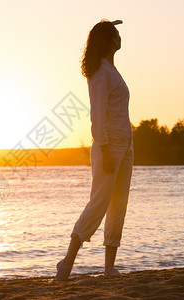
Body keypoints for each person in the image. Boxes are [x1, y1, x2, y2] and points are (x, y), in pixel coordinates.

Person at [55, 19, 134, 280]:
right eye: (116, 34)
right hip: (109, 146)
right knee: (99, 202)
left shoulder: (111, 69)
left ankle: (109, 267)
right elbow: (97, 117)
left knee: (118, 204)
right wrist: (106, 148)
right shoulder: (100, 72)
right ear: (110, 41)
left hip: (125, 144)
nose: (120, 37)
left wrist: (106, 26)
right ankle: (66, 262)